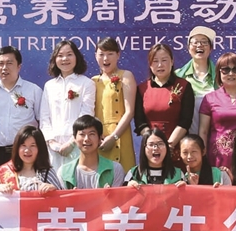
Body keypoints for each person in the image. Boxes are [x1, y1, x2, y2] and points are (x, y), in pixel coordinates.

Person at [40, 40, 96, 172]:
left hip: (77, 145)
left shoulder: (86, 83)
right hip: (53, 148)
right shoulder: (49, 85)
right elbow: (44, 117)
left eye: (69, 54)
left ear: (76, 57)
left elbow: (86, 115)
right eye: (60, 55)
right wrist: (51, 142)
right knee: (53, 181)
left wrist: (72, 142)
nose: (65, 59)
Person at [0, 46, 43, 174]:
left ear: (19, 66)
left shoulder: (33, 90)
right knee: (1, 186)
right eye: (1, 63)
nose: (4, 68)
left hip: (26, 152)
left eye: (9, 63)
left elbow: (42, 121)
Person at [133, 43, 193, 156]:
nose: (160, 65)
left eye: (164, 60)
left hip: (176, 147)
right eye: (155, 61)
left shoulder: (184, 86)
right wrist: (153, 143)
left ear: (172, 61)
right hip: (151, 149)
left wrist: (169, 145)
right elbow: (140, 122)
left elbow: (185, 121)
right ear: (150, 64)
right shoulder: (142, 89)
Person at [93, 37, 136, 172]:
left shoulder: (126, 76)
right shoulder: (93, 81)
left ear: (118, 55)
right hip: (99, 138)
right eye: (101, 54)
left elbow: (129, 111)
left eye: (110, 54)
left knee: (124, 176)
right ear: (95, 56)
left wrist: (114, 137)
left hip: (120, 134)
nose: (105, 59)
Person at [0, 125, 62, 194]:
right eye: (23, 145)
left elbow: (63, 199)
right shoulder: (3, 172)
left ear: (40, 148)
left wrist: (54, 190)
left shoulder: (48, 173)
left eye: (32, 145)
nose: (27, 150)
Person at [59, 115, 125, 189]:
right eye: (82, 134)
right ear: (74, 138)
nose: (86, 139)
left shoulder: (115, 169)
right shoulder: (64, 172)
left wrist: (109, 195)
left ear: (100, 138)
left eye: (92, 134)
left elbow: (118, 196)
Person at [175, 26, 218, 135]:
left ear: (211, 48)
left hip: (215, 138)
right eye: (195, 42)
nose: (199, 45)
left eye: (204, 42)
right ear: (188, 48)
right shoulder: (178, 76)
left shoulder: (221, 76)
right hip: (186, 139)